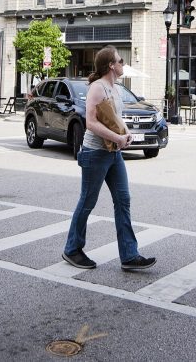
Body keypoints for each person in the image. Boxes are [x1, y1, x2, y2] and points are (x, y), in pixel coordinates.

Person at [62, 45, 156, 272]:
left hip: (114, 152)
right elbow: (92, 123)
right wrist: (117, 136)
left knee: (123, 200)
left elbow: (115, 116)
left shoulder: (115, 88)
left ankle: (129, 255)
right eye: (120, 60)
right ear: (110, 65)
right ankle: (72, 249)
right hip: (95, 153)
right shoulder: (97, 87)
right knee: (87, 201)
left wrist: (126, 132)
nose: (123, 64)